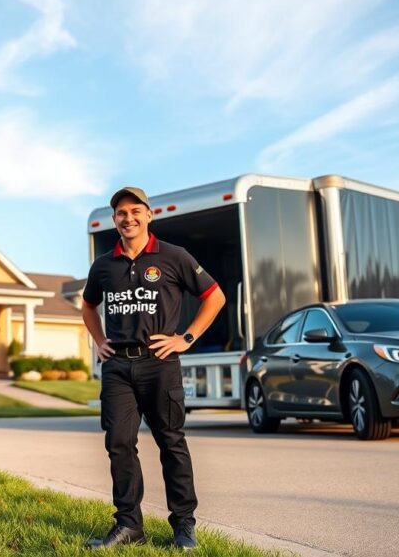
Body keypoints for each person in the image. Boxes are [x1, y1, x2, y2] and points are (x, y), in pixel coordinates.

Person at [81, 186, 226, 550]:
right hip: (117, 368)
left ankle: (184, 527)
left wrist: (186, 339)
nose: (128, 218)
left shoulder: (173, 256)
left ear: (149, 215)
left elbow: (215, 296)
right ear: (114, 220)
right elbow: (87, 306)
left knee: (170, 442)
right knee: (119, 444)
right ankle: (129, 525)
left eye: (135, 211)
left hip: (159, 364)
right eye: (121, 213)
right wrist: (99, 341)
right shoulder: (103, 266)